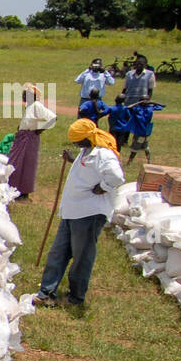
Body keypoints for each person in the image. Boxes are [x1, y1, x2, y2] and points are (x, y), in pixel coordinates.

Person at [35, 120, 125, 309]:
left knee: (81, 257)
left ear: (86, 138)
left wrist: (104, 187)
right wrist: (71, 158)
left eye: (77, 141)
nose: (75, 144)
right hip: (71, 211)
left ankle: (76, 297)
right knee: (58, 253)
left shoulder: (104, 154)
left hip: (89, 214)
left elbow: (117, 176)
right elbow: (87, 169)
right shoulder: (87, 150)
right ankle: (46, 293)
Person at [7, 84, 57, 202]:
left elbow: (53, 118)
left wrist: (40, 129)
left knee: (25, 164)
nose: (24, 96)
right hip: (23, 137)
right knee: (16, 162)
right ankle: (15, 189)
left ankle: (22, 191)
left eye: (26, 94)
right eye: (23, 94)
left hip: (29, 138)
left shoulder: (36, 106)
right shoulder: (30, 106)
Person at [125, 99, 164, 164]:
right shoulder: (150, 108)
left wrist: (138, 102)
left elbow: (128, 107)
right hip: (146, 131)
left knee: (135, 147)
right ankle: (149, 161)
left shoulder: (138, 109)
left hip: (139, 132)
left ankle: (129, 161)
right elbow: (162, 106)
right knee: (145, 146)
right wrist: (153, 102)